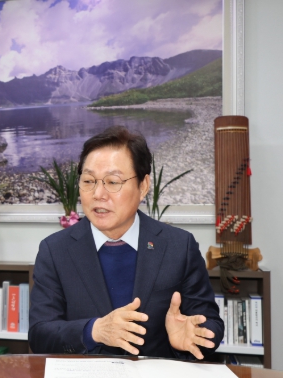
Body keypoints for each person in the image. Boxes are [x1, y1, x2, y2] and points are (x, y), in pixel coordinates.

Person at [29, 126, 223, 359]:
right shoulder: (55, 250)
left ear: (143, 186)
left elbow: (211, 323)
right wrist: (94, 331)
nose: (98, 194)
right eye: (88, 181)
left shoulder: (179, 246)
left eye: (113, 182)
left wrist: (191, 337)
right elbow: (40, 335)